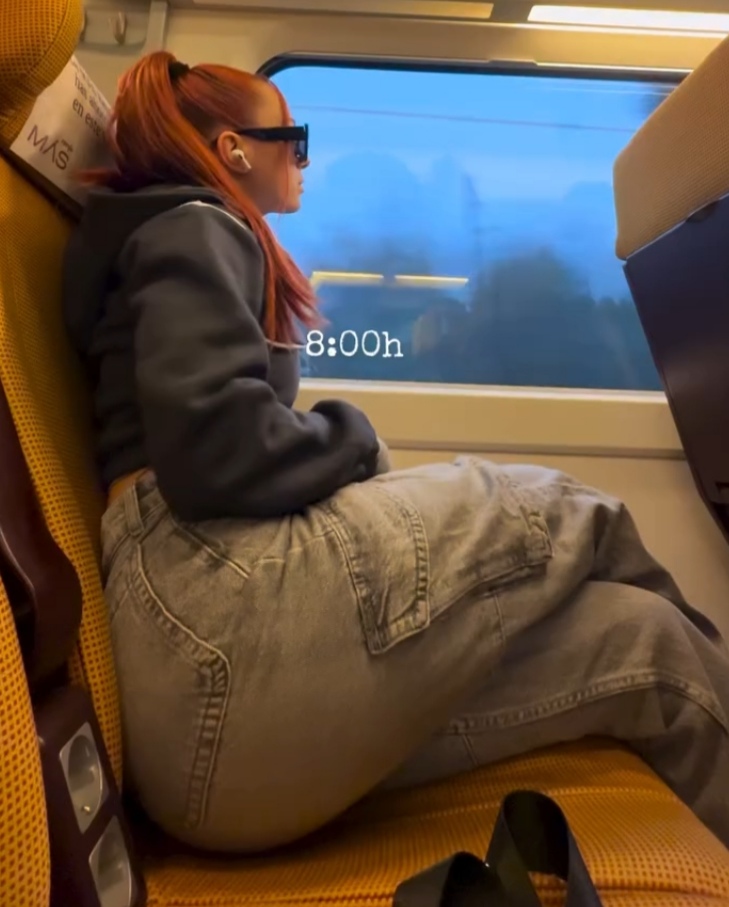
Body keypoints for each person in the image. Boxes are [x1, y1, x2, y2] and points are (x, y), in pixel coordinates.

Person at [61, 49, 729, 855]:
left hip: (208, 726)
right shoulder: (195, 223)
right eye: (293, 139)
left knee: (652, 646)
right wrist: (355, 439)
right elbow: (215, 446)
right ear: (233, 149)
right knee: (568, 512)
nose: (303, 160)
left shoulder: (172, 237)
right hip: (212, 626)